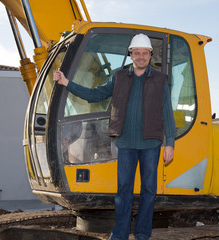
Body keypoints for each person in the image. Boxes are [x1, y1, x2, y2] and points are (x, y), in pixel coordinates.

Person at [53, 33, 175, 240]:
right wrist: (67, 83)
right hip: (126, 143)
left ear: (150, 55)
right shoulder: (118, 76)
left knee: (149, 191)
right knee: (123, 191)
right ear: (131, 55)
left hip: (151, 145)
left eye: (145, 53)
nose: (141, 56)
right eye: (137, 53)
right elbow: (95, 95)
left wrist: (169, 144)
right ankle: (119, 234)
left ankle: (143, 233)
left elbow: (167, 113)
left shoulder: (161, 80)